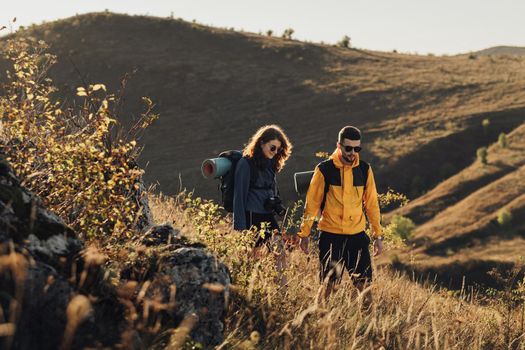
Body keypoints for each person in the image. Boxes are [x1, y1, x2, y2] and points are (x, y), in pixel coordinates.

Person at [297, 125, 383, 299]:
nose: (352, 152)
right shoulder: (324, 170)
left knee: (365, 288)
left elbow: (372, 204)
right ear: (339, 145)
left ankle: (368, 325)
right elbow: (312, 204)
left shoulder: (365, 170)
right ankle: (322, 322)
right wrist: (304, 233)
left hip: (357, 237)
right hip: (330, 237)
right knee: (329, 287)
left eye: (356, 148)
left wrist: (377, 235)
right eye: (348, 148)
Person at [233, 124, 292, 248]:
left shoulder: (270, 164)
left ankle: (280, 269)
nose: (275, 152)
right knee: (255, 256)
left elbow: (271, 189)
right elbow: (239, 196)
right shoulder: (245, 164)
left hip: (267, 214)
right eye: (273, 148)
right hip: (251, 216)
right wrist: (240, 227)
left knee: (279, 249)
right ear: (261, 143)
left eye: (278, 150)